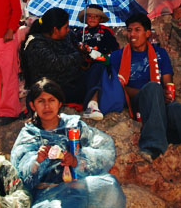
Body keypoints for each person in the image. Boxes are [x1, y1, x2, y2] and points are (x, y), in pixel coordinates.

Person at [111, 13, 181, 178]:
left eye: (137, 30)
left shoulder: (160, 53)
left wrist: (168, 95)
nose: (132, 34)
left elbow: (167, 82)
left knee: (180, 110)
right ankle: (152, 145)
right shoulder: (118, 56)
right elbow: (118, 87)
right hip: (137, 101)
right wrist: (151, 92)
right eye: (129, 30)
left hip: (160, 104)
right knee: (153, 88)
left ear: (148, 33)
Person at [10, 79, 126, 208]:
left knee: (109, 186)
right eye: (41, 101)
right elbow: (20, 172)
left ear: (59, 103)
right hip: (48, 194)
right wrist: (37, 160)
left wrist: (77, 160)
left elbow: (105, 148)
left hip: (78, 185)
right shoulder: (30, 134)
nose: (47, 106)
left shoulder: (74, 126)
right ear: (32, 105)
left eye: (51, 100)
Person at [20, 9, 88, 106]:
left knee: (98, 70)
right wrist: (80, 54)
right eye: (66, 27)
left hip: (71, 81)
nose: (68, 29)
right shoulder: (36, 44)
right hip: (52, 89)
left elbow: (73, 50)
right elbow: (57, 64)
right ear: (56, 29)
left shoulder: (67, 36)